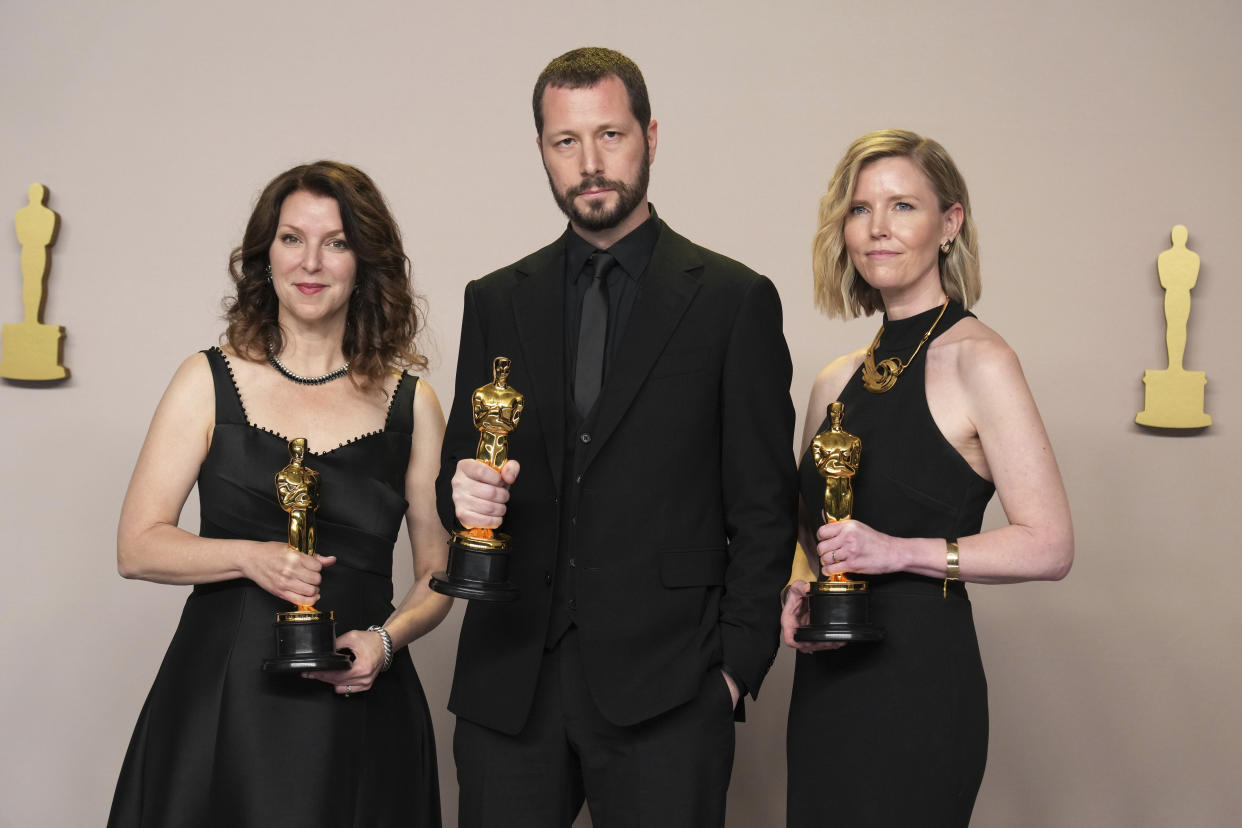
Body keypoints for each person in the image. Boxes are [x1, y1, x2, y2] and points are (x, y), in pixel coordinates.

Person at [436, 47, 797, 827]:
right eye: (566, 142)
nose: (591, 163)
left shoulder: (733, 301)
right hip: (509, 688)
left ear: (651, 136)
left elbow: (766, 507)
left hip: (670, 692)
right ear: (542, 150)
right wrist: (459, 492)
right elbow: (456, 476)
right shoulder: (496, 298)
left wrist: (733, 673)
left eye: (611, 135)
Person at [108, 161, 449, 827]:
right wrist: (250, 557)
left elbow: (438, 571)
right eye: (292, 238)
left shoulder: (415, 404)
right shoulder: (206, 379)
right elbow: (136, 547)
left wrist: (385, 640)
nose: (311, 262)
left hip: (363, 706)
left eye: (337, 242)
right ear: (266, 255)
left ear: (365, 261)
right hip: (221, 700)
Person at [781, 129, 1074, 827]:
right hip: (826, 686)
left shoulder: (983, 361)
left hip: (923, 688)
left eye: (903, 206)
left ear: (949, 223)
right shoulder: (833, 382)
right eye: (859, 210)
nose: (878, 228)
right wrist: (797, 584)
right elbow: (808, 529)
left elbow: (1050, 544)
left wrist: (901, 551)